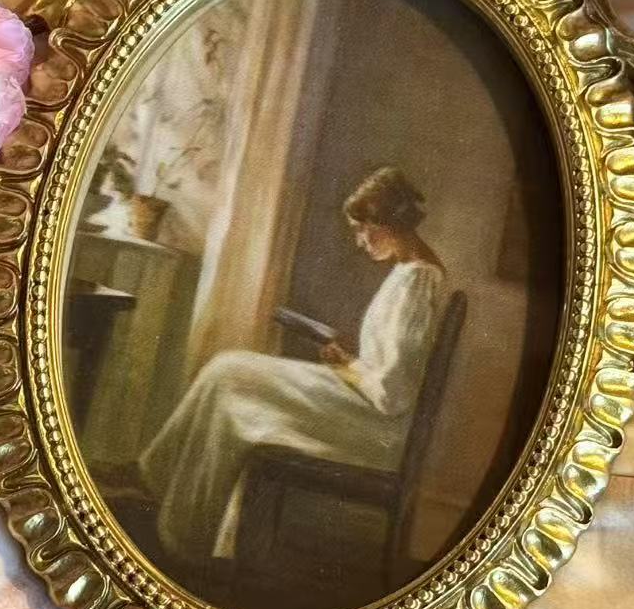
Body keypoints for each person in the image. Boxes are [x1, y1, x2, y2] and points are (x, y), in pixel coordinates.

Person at [140, 166, 445, 567]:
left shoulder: (418, 281)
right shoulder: (408, 273)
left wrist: (348, 366)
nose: (359, 241)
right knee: (228, 370)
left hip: (375, 427)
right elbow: (390, 369)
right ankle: (169, 497)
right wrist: (348, 362)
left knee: (231, 375)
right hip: (362, 401)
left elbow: (393, 393)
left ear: (387, 222)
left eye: (363, 230)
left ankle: (178, 521)